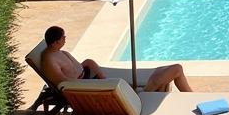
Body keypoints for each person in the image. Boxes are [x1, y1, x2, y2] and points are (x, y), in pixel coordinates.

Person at [41, 25, 194, 92]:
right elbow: (63, 82)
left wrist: (101, 79)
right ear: (55, 42)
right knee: (176, 69)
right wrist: (101, 86)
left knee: (173, 70)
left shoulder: (56, 52)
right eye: (63, 37)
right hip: (86, 88)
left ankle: (190, 98)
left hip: (91, 81)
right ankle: (146, 92)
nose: (65, 39)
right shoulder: (49, 59)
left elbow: (74, 69)